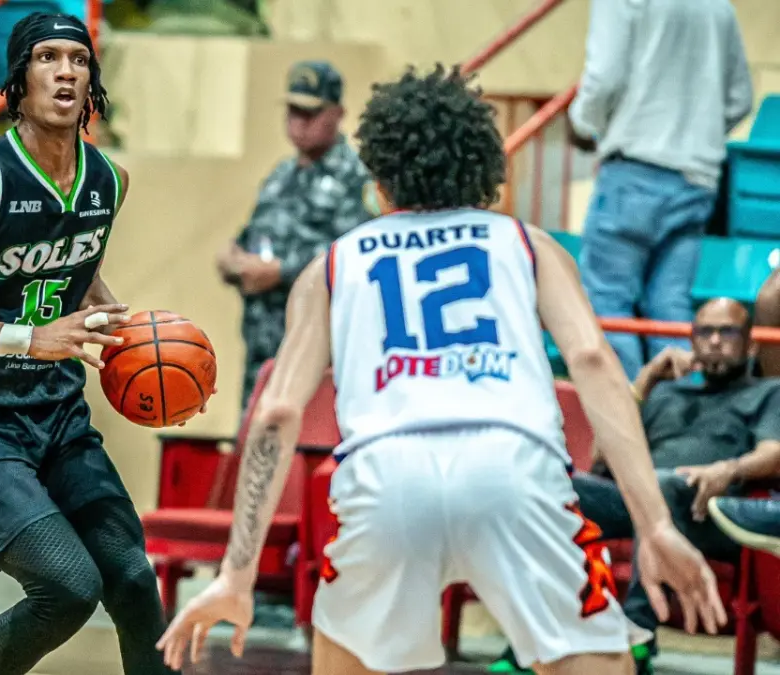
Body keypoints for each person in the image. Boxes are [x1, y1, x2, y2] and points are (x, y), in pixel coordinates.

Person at [156, 64, 726, 675]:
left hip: (386, 475)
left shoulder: (333, 264)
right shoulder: (527, 242)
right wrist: (655, 524)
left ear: (379, 179)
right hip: (514, 468)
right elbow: (593, 362)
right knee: (595, 662)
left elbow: (276, 413)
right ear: (481, 167)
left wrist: (236, 574)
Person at [0, 13, 188, 675]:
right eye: (47, 57)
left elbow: (74, 271)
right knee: (67, 588)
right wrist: (28, 337)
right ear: (18, 81)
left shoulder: (109, 180)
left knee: (133, 578)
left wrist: (140, 348)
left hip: (55, 411)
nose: (66, 71)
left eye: (78, 58)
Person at [490, 298, 780, 674]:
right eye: (705, 332)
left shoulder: (768, 392)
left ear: (751, 344)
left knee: (661, 485)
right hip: (641, 500)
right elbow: (602, 458)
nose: (714, 341)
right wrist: (647, 379)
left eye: (727, 332)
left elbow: (774, 453)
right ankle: (535, 642)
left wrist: (727, 470)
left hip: (708, 511)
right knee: (557, 488)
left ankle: (639, 637)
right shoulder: (665, 392)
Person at [568, 0, 752, 379]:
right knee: (670, 307)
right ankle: (680, 409)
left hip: (633, 170)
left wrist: (584, 122)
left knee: (607, 303)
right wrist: (696, 136)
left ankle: (627, 408)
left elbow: (604, 77)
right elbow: (740, 99)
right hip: (696, 180)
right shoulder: (718, 7)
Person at [217, 60, 371, 412]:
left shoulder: (355, 177)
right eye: (293, 111)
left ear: (338, 113)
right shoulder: (281, 174)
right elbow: (254, 233)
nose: (299, 122)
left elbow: (352, 254)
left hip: (314, 353)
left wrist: (281, 272)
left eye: (310, 113)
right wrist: (232, 257)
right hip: (261, 346)